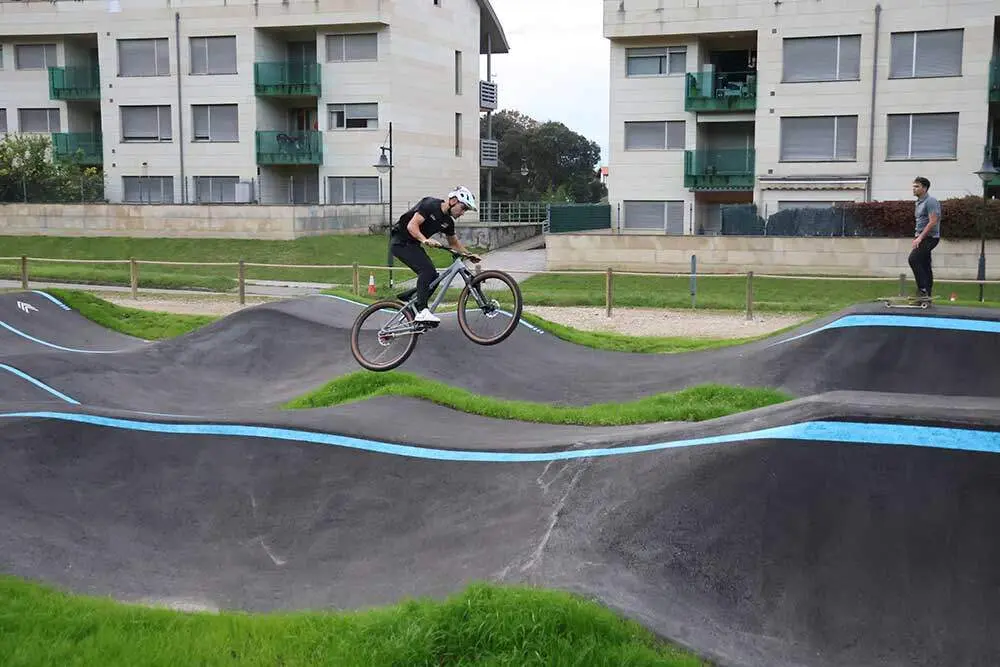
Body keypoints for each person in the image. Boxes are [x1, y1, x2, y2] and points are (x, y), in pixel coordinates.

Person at [390, 186, 482, 324]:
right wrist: (425, 239)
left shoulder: (448, 222)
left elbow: (454, 243)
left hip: (413, 245)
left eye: (466, 210)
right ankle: (422, 310)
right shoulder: (430, 204)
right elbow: (412, 226)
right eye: (463, 208)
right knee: (426, 271)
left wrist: (469, 255)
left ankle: (413, 299)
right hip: (399, 242)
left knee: (434, 277)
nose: (463, 213)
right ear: (453, 200)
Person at [909, 176, 941, 299]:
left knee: (913, 259)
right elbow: (921, 221)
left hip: (930, 237)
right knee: (925, 264)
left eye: (917, 186)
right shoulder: (918, 202)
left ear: (925, 188)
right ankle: (927, 293)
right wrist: (917, 236)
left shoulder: (931, 201)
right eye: (913, 186)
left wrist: (920, 238)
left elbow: (933, 221)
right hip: (921, 237)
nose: (914, 189)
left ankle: (922, 290)